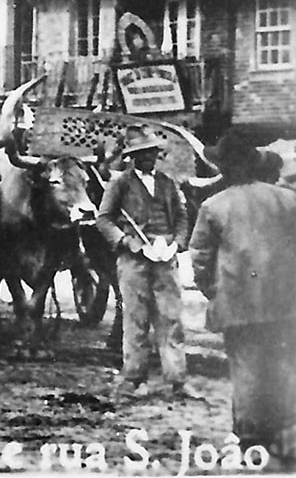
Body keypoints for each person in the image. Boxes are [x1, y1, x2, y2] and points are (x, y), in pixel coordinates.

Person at [189, 134, 296, 463]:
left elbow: (200, 258)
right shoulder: (288, 200)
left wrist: (214, 291)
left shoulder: (213, 206)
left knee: (246, 368)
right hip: (285, 302)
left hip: (237, 303)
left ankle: (250, 437)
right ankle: (284, 433)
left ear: (223, 169)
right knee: (282, 365)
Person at [98, 124, 191, 399]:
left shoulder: (167, 182)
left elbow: (182, 217)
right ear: (133, 157)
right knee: (136, 318)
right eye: (142, 153)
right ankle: (133, 379)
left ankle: (177, 381)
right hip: (134, 262)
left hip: (166, 260)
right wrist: (129, 243)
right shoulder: (120, 183)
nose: (149, 157)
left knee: (171, 318)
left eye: (151, 152)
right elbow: (104, 220)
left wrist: (176, 244)